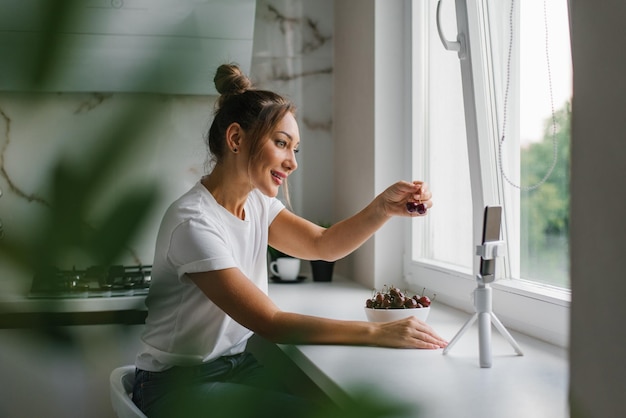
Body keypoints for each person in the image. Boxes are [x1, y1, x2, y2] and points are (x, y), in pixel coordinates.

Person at [132, 63, 447, 418]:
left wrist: (383, 208)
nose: (292, 162)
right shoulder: (194, 223)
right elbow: (270, 322)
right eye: (282, 143)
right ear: (236, 139)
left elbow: (322, 245)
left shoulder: (257, 203)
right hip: (176, 389)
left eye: (295, 149)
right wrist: (378, 332)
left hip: (235, 369)